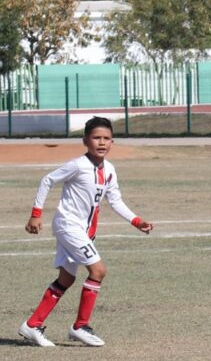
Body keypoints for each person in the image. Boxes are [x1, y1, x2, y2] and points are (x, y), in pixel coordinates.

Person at [18, 116, 154, 348]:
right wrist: (36, 213)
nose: (102, 142)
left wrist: (136, 221)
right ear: (85, 141)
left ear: (112, 142)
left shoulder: (109, 169)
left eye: (107, 138)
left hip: (83, 229)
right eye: (96, 137)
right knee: (98, 270)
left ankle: (32, 325)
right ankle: (80, 326)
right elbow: (47, 180)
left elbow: (116, 200)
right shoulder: (78, 165)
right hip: (68, 225)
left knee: (67, 278)